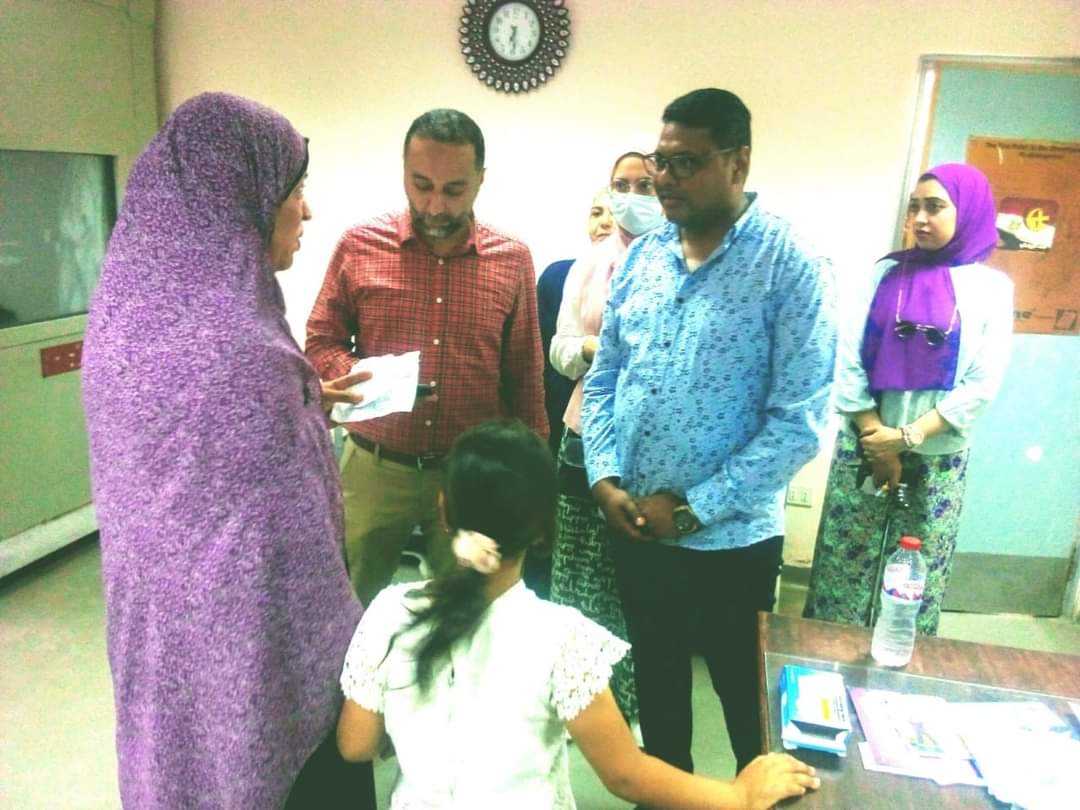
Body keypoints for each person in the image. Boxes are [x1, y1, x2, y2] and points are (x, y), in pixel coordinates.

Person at [82, 93, 374, 810]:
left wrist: (303, 403)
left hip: (162, 646)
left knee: (186, 769)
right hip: (255, 665)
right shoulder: (241, 348)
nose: (307, 210)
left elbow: (198, 460)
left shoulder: (127, 318)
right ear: (241, 195)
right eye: (295, 189)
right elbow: (288, 560)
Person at [336, 419, 821, 809]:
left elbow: (355, 745)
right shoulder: (561, 639)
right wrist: (737, 796)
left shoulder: (391, 611)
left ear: (443, 511)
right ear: (542, 530)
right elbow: (625, 774)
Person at [580, 88, 836, 774]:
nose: (665, 179)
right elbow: (606, 378)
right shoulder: (644, 257)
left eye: (686, 163)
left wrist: (693, 509)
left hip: (731, 541)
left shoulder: (791, 265)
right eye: (661, 161)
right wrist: (604, 477)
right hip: (638, 527)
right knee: (659, 684)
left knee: (745, 700)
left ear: (738, 163)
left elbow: (800, 424)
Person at [306, 108, 548, 608]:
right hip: (374, 469)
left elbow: (524, 374)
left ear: (480, 180)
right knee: (347, 611)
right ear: (403, 172)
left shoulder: (512, 259)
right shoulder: (359, 245)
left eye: (454, 190)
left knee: (469, 613)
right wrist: (364, 381)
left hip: (469, 477)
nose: (435, 205)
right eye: (421, 185)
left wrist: (532, 477)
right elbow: (321, 340)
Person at [803, 163, 1013, 635]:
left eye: (934, 207)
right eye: (914, 206)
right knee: (844, 564)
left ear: (968, 211)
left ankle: (898, 664)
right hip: (865, 446)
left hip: (936, 455)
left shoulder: (992, 290)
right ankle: (827, 658)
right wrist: (876, 437)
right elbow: (846, 357)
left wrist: (906, 438)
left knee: (915, 577)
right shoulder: (883, 274)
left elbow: (982, 383)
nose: (919, 218)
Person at [548, 148, 666, 721]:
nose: (632, 196)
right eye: (622, 185)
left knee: (635, 583)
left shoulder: (680, 261)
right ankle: (576, 705)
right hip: (583, 434)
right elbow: (560, 349)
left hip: (650, 448)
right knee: (577, 577)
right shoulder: (588, 265)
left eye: (646, 185)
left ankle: (630, 711)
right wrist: (596, 349)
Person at [527, 187, 615, 598]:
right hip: (561, 423)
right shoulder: (561, 276)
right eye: (597, 212)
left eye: (614, 213)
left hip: (615, 434)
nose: (605, 222)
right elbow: (541, 360)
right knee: (552, 545)